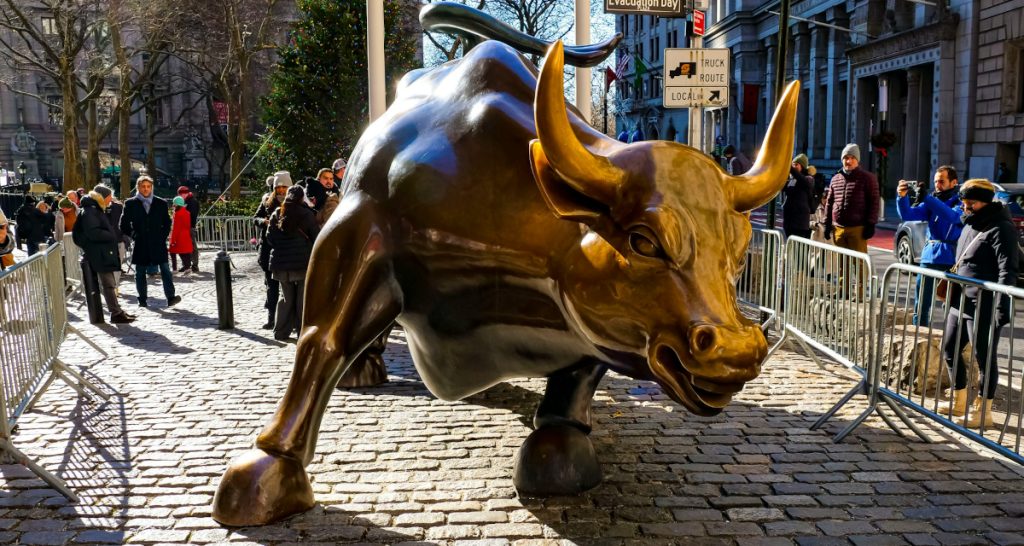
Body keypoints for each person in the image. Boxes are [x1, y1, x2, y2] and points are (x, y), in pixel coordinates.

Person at [941, 179, 1019, 428]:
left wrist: (1002, 305)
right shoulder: (969, 225)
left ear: (985, 202)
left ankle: (983, 411)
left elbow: (1009, 269)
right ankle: (959, 399)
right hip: (960, 299)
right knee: (950, 348)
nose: (966, 208)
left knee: (983, 357)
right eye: (964, 203)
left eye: (971, 203)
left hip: (984, 301)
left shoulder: (1001, 228)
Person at [897, 166, 963, 325]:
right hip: (929, 257)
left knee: (953, 306)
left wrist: (927, 198)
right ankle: (919, 336)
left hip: (952, 259)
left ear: (954, 182)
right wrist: (902, 197)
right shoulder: (931, 201)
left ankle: (952, 341)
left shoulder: (960, 201)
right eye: (935, 182)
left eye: (942, 181)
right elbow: (908, 215)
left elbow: (953, 217)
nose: (937, 185)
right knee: (921, 304)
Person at [72, 185, 135, 323]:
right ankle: (116, 313)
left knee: (109, 283)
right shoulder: (90, 211)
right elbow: (93, 232)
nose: (111, 199)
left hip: (101, 251)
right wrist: (110, 235)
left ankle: (116, 311)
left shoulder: (94, 209)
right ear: (102, 197)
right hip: (98, 252)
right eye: (109, 197)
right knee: (108, 284)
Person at [266, 184, 320, 341]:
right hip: (302, 262)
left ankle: (280, 332)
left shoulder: (277, 213)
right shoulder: (306, 214)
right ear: (302, 197)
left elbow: (270, 238)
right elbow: (316, 236)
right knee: (302, 298)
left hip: (281, 263)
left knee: (286, 298)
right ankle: (302, 332)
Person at [120, 175, 181, 308]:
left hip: (157, 243)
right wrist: (134, 235)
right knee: (140, 272)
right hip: (141, 243)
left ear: (152, 187)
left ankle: (171, 297)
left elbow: (167, 222)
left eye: (148, 186)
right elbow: (123, 224)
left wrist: (162, 236)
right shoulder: (131, 203)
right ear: (138, 188)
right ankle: (142, 299)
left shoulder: (161, 203)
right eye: (143, 187)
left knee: (165, 269)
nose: (146, 189)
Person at [824, 143, 880, 252]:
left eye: (852, 158)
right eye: (845, 158)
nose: (848, 161)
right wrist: (827, 224)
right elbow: (829, 203)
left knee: (859, 265)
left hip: (857, 229)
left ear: (857, 160)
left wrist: (871, 224)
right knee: (841, 265)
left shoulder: (868, 178)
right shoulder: (835, 178)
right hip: (838, 229)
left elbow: (874, 202)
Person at [254, 172, 291, 329]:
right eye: (279, 187)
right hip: (269, 250)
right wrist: (264, 221)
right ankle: (271, 318)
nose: (282, 190)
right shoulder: (267, 202)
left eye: (284, 187)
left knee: (288, 288)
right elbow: (255, 218)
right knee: (271, 286)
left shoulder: (294, 202)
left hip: (287, 250)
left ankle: (288, 319)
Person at [782, 154, 815, 239]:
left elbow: (801, 179)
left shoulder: (808, 179)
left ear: (803, 166)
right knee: (790, 246)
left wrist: (789, 166)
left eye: (796, 164)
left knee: (798, 248)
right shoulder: (791, 180)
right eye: (793, 164)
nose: (794, 166)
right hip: (788, 222)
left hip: (799, 224)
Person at [177, 185, 200, 272]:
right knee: (183, 247)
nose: (180, 196)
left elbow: (192, 215)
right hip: (183, 227)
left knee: (192, 246)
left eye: (181, 194)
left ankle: (194, 265)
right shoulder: (183, 201)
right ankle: (186, 264)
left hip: (189, 227)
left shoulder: (192, 202)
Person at [169, 195, 194, 273]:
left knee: (172, 252)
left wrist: (172, 239)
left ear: (176, 204)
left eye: (174, 204)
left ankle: (174, 269)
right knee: (184, 252)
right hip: (186, 235)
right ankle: (187, 267)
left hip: (178, 236)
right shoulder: (187, 213)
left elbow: (176, 228)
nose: (173, 205)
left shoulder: (177, 214)